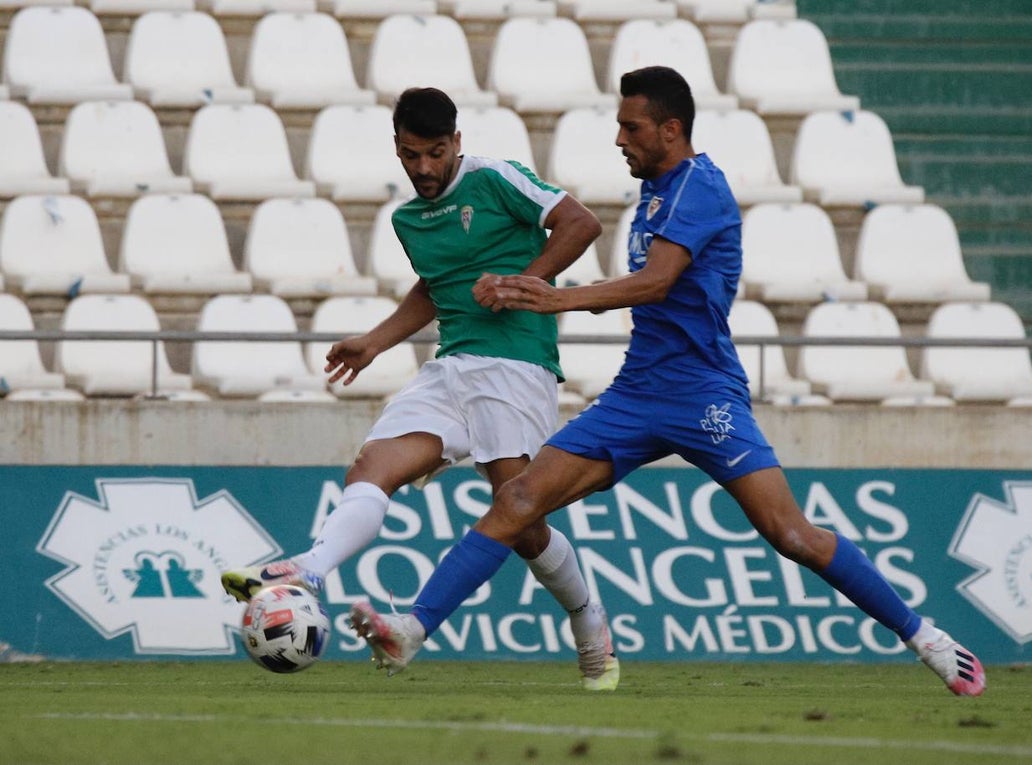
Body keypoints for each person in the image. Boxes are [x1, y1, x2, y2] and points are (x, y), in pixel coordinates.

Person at [348, 67, 987, 698]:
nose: (620, 139)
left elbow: (655, 283)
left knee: (791, 535)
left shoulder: (699, 188)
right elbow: (634, 293)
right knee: (518, 501)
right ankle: (413, 628)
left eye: (631, 127)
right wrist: (558, 293)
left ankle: (926, 638)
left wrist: (549, 296)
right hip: (636, 394)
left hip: (704, 394)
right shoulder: (652, 195)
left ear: (670, 129)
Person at [221, 86, 620, 692]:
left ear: (456, 143)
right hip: (450, 366)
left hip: (514, 364)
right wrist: (376, 341)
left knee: (522, 520)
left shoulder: (494, 179)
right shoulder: (409, 219)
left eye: (436, 152)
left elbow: (580, 223)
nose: (426, 168)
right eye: (412, 155)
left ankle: (588, 620)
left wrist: (522, 282)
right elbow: (436, 288)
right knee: (371, 466)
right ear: (398, 149)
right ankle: (308, 569)